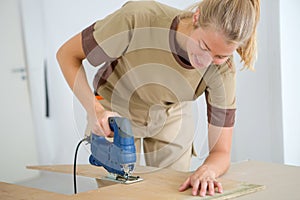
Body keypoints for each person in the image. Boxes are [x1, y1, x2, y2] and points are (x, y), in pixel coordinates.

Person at [56, 0, 260, 197]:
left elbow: (221, 153)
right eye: (204, 47)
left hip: (172, 112)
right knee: (118, 193)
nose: (207, 61)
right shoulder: (138, 18)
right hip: (117, 104)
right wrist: (95, 111)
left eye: (220, 56)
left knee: (170, 192)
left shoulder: (223, 71)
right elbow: (67, 55)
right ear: (197, 17)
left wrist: (208, 170)